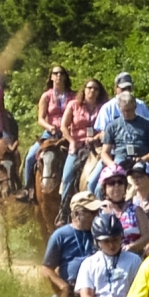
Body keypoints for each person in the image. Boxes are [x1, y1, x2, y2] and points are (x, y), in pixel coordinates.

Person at [95, 91, 149, 194]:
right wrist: (112, 164)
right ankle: (102, 209)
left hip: (143, 159)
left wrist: (143, 159)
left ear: (135, 107)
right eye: (124, 110)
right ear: (119, 109)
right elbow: (104, 152)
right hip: (120, 160)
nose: (127, 113)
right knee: (98, 189)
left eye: (129, 110)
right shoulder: (112, 126)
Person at [21, 64, 76, 200]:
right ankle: (28, 190)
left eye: (61, 73)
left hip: (67, 135)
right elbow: (40, 118)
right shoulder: (46, 96)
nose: (58, 76)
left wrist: (69, 128)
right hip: (50, 134)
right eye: (55, 73)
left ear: (65, 77)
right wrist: (49, 126)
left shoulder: (73, 96)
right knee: (29, 157)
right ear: (51, 77)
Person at [59, 78, 108, 214]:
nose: (92, 91)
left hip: (97, 146)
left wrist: (96, 137)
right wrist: (71, 141)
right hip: (77, 146)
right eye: (89, 88)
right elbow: (63, 126)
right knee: (67, 175)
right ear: (84, 89)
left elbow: (107, 128)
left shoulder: (103, 107)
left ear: (99, 92)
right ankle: (63, 211)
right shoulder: (74, 105)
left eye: (95, 89)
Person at [99, 164, 149, 255]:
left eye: (120, 182)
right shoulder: (99, 211)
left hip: (133, 258)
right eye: (112, 183)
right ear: (104, 188)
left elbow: (147, 235)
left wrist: (131, 247)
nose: (116, 186)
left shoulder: (136, 210)